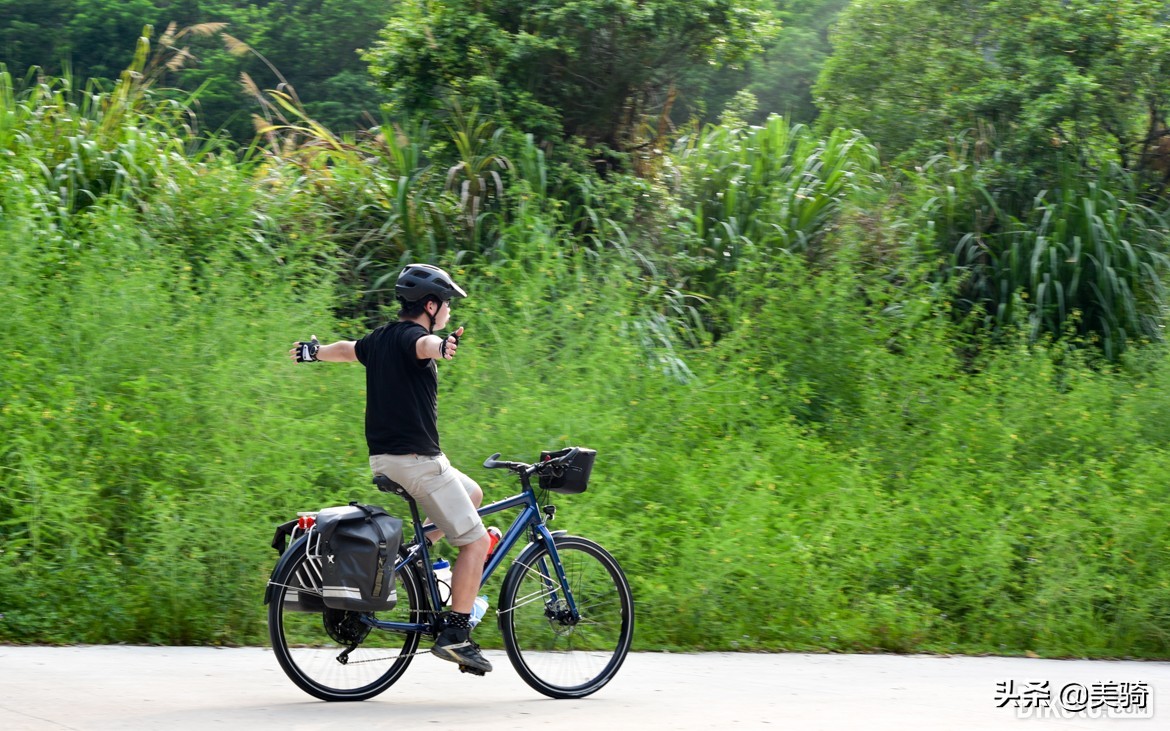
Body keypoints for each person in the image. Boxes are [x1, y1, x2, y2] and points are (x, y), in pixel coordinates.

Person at [288, 263, 493, 674]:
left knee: (472, 495)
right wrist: (442, 347)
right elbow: (425, 346)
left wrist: (313, 352)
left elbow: (347, 349)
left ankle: (418, 557)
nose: (449, 311)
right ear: (430, 305)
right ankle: (456, 635)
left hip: (385, 460)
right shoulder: (414, 338)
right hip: (419, 462)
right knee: (474, 543)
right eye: (447, 304)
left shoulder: (380, 338)